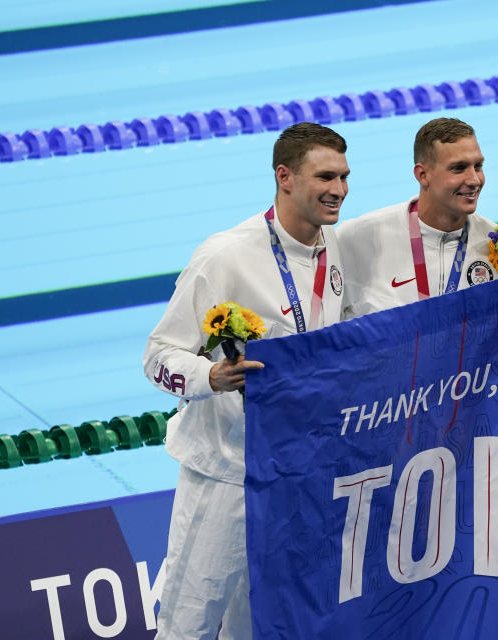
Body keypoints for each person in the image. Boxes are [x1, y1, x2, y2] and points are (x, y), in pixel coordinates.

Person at [143, 122, 350, 639]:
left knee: (258, 627)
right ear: (284, 176)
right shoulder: (226, 255)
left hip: (300, 474)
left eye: (345, 177)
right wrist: (210, 375)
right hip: (227, 474)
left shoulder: (341, 249)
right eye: (326, 176)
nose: (339, 190)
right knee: (187, 625)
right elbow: (157, 356)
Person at [339, 117, 498, 317]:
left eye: (478, 166)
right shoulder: (356, 240)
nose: (474, 180)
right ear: (422, 175)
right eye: (458, 168)